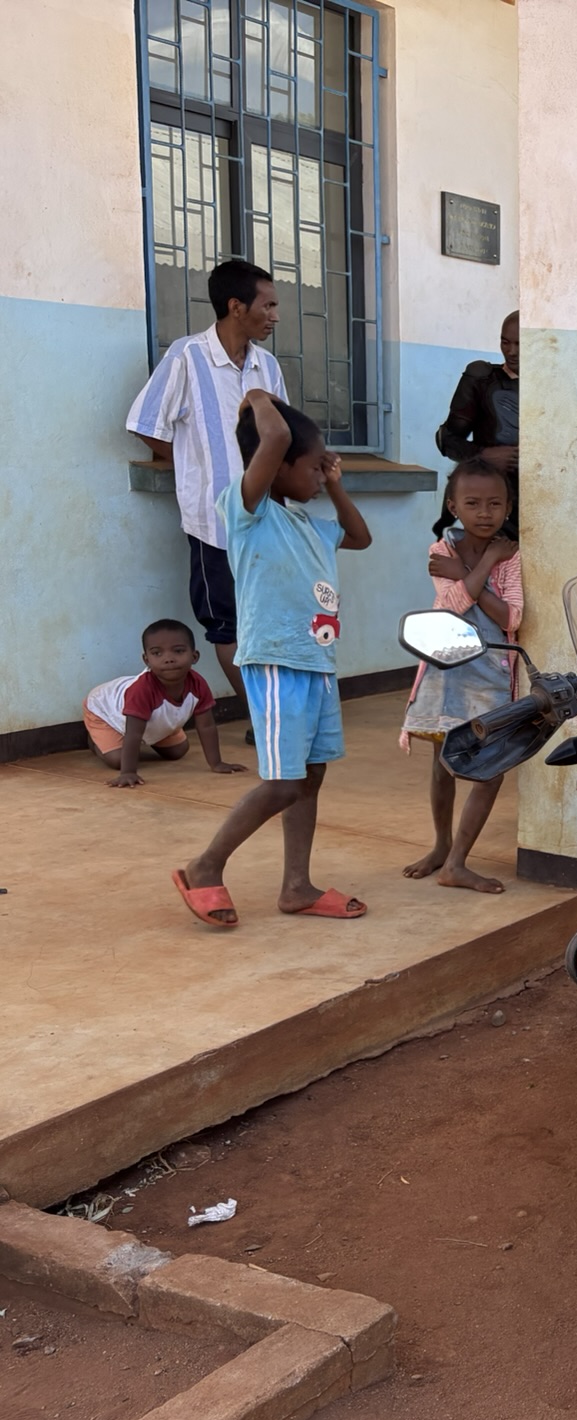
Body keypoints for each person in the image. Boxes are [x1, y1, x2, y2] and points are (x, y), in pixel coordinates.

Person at [172, 391, 371, 928]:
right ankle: (205, 866)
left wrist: (334, 483)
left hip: (316, 664)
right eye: (313, 467)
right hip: (277, 663)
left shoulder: (308, 523)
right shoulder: (247, 511)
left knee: (309, 775)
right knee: (283, 782)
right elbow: (277, 435)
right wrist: (258, 397)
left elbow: (360, 537)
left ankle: (297, 886)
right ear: (276, 465)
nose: (320, 475)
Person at [126, 258, 288, 717]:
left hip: (267, 520)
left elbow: (284, 436)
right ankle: (263, 715)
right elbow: (146, 424)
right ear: (236, 307)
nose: (275, 316)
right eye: (268, 305)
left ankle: (280, 710)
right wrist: (193, 462)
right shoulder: (187, 357)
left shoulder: (267, 366)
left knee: (267, 617)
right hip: (213, 523)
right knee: (227, 623)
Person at [400, 459, 523, 894]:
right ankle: (441, 848)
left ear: (508, 507)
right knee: (442, 767)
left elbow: (510, 617)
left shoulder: (512, 556)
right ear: (453, 506)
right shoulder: (441, 551)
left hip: (491, 674)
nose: (484, 513)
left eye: (494, 504)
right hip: (447, 671)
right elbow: (450, 607)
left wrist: (472, 574)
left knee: (490, 770)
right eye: (472, 503)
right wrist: (485, 564)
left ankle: (456, 863)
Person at [86, 619, 245, 788]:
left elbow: (206, 726)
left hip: (149, 722)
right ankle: (93, 741)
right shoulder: (141, 690)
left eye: (178, 651)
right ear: (146, 660)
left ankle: (135, 741)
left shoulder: (198, 684)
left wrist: (216, 763)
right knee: (117, 760)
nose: (168, 659)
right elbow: (133, 733)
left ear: (194, 656)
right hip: (103, 711)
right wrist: (128, 772)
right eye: (157, 653)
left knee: (178, 751)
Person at [435, 310, 520, 536]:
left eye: (520, 344)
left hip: (544, 501)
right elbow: (446, 439)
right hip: (492, 504)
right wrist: (483, 455)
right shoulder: (482, 379)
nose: (511, 352)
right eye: (505, 342)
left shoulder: (556, 387)